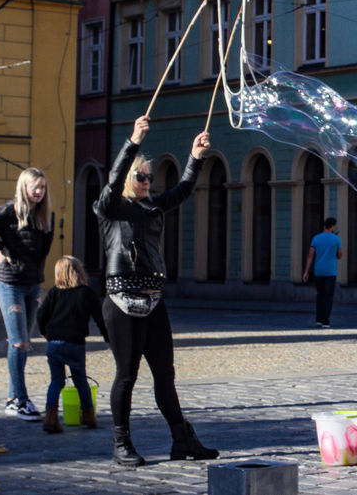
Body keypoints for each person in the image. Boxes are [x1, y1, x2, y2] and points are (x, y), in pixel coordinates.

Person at [94, 115, 217, 466]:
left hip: (152, 298)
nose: (147, 181)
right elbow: (113, 180)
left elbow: (182, 190)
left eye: (149, 177)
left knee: (165, 374)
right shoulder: (109, 208)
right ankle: (121, 444)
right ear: (128, 180)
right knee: (127, 374)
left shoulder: (152, 207)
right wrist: (131, 142)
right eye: (141, 176)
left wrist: (195, 158)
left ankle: (182, 440)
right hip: (120, 300)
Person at [0, 166, 55, 422]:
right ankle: (20, 400)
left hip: (32, 285)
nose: (39, 192)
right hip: (9, 285)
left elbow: (42, 254)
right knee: (19, 342)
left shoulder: (44, 216)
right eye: (34, 187)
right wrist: (1, 248)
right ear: (23, 187)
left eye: (42, 187)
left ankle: (12, 397)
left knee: (24, 343)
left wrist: (38, 281)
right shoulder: (9, 211)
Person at [36, 256, 108, 433]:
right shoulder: (86, 292)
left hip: (54, 343)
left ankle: (51, 418)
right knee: (80, 381)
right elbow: (100, 317)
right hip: (75, 343)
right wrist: (108, 337)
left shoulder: (54, 292)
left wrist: (44, 332)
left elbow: (41, 315)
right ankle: (88, 415)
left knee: (56, 381)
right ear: (79, 271)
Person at [303, 217, 343, 328]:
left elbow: (310, 255)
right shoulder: (336, 239)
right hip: (330, 272)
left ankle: (319, 319)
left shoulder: (316, 238)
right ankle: (325, 320)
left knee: (320, 295)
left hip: (318, 271)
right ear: (333, 226)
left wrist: (306, 271)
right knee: (328, 297)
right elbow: (339, 256)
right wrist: (336, 244)